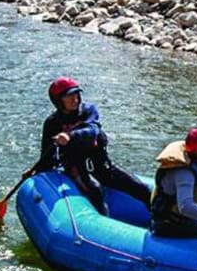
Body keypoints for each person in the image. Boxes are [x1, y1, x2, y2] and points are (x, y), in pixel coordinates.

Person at [27, 77, 150, 215]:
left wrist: (70, 136)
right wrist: (36, 172)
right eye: (69, 96)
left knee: (142, 189)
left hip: (101, 165)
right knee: (96, 190)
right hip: (76, 168)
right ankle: (104, 228)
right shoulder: (52, 123)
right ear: (58, 100)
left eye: (77, 94)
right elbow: (47, 156)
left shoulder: (89, 111)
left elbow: (93, 130)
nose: (75, 99)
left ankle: (161, 223)